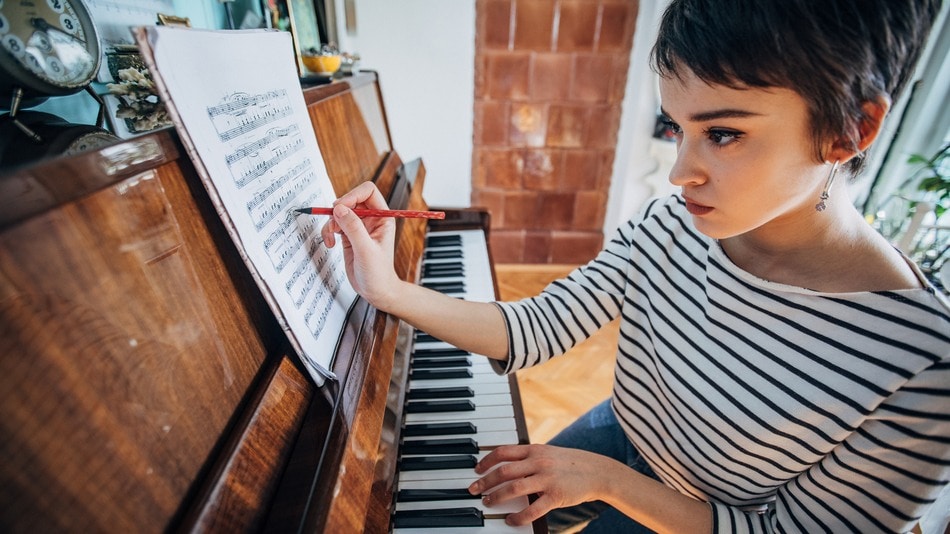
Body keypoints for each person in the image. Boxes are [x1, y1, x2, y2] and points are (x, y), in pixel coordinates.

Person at [320, 0, 950, 531]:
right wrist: (389, 289)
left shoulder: (922, 363)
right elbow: (535, 328)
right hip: (619, 428)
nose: (680, 176)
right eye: (676, 128)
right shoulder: (673, 222)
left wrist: (609, 483)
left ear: (851, 128)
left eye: (723, 134)